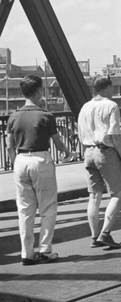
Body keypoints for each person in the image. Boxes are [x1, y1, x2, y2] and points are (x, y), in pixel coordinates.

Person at [7, 74, 73, 265]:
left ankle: (27, 254)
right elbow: (58, 142)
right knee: (48, 207)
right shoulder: (46, 115)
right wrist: (68, 154)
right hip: (40, 160)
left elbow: (9, 144)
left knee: (25, 210)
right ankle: (45, 250)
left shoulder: (13, 116)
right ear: (38, 92)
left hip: (20, 160)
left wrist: (14, 163)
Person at [78, 76, 121, 249]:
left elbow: (80, 134)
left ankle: (94, 236)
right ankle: (105, 234)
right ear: (107, 88)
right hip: (105, 152)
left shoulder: (85, 107)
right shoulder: (111, 106)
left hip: (89, 151)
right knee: (117, 193)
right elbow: (115, 135)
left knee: (94, 196)